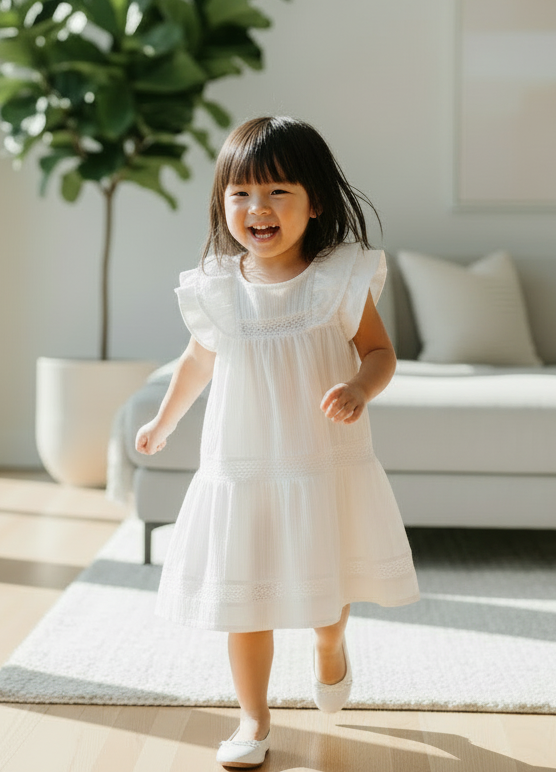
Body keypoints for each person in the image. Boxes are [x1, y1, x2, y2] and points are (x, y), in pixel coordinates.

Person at [135, 115, 421, 769]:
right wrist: (164, 421)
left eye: (277, 192)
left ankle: (329, 645)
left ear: (314, 202)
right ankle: (253, 719)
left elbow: (379, 352)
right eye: (240, 194)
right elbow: (197, 363)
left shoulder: (336, 280)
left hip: (317, 462)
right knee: (243, 600)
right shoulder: (217, 288)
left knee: (326, 591)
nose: (257, 208)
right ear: (222, 203)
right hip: (242, 466)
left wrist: (359, 387)